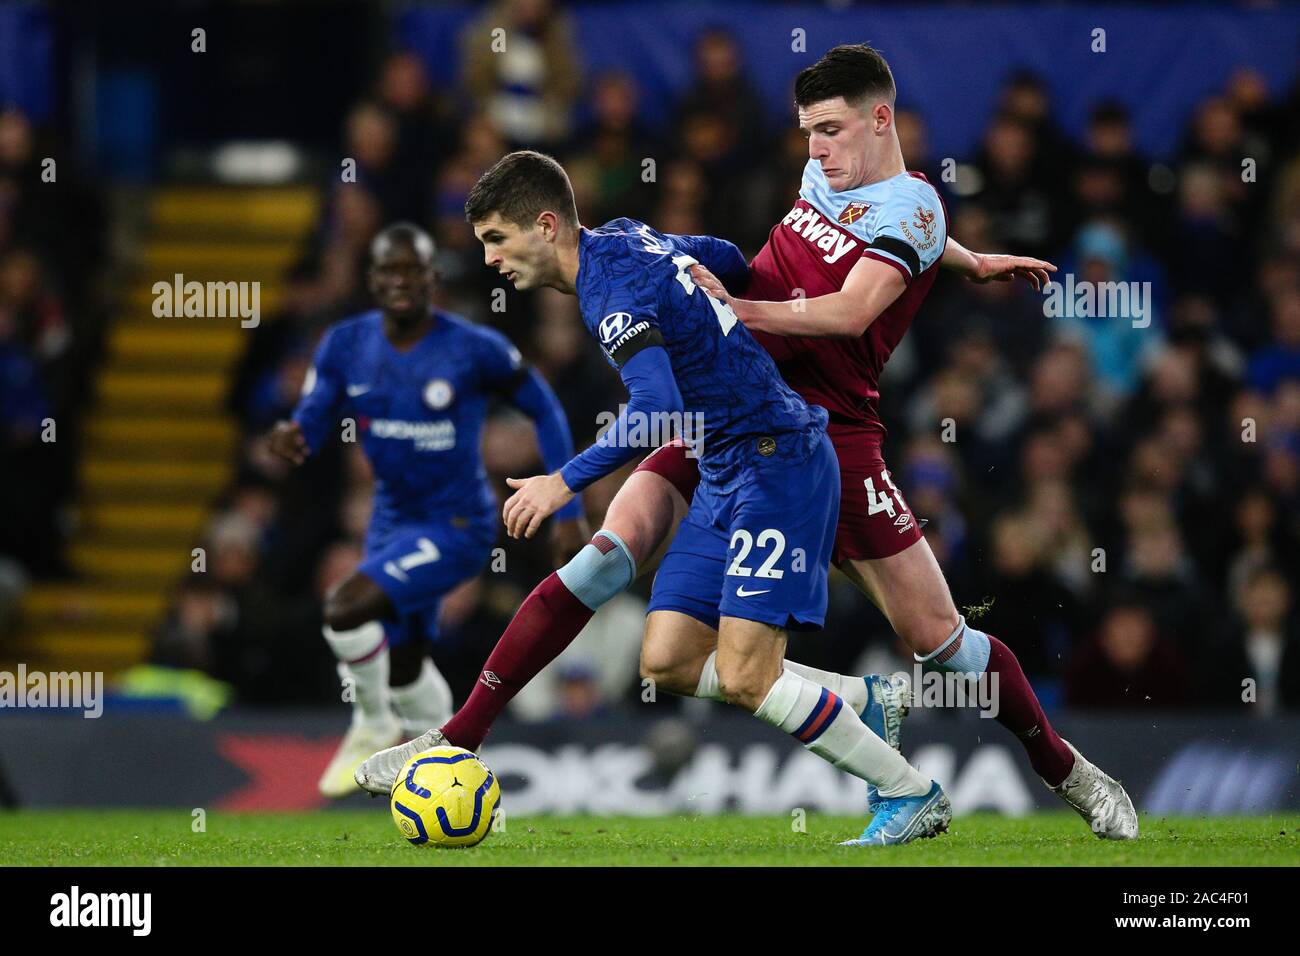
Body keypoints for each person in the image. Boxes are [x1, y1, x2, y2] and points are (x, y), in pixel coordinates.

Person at [360, 150, 953, 845]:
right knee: (667, 658)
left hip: (777, 458)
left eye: (497, 238)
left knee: (743, 675)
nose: (490, 259)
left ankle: (911, 792)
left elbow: (655, 409)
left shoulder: (607, 289)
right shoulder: (626, 236)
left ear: (545, 225)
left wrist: (564, 480)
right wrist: (719, 303)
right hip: (723, 461)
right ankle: (864, 698)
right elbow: (725, 255)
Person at [267, 222, 587, 797]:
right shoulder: (345, 344)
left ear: (432, 278)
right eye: (389, 271)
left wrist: (568, 510)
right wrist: (296, 434)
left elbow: (547, 411)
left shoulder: (474, 348)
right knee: (407, 662)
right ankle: (444, 774)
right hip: (391, 520)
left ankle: (371, 723)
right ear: (372, 279)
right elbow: (315, 411)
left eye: (412, 270)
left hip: (459, 522)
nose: (400, 282)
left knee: (344, 609)